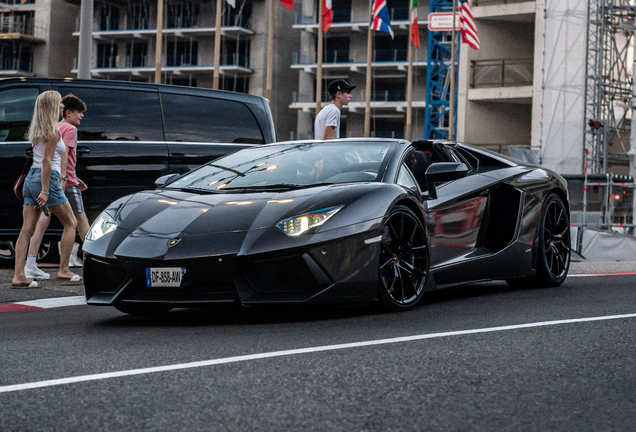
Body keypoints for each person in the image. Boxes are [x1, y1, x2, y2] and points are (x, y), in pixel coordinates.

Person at [11, 91, 78, 288]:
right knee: (70, 223)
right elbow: (48, 161)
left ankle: (19, 276)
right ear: (51, 107)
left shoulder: (38, 129)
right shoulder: (53, 131)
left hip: (31, 178)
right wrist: (46, 190)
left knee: (26, 229)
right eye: (59, 104)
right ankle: (64, 270)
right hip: (45, 179)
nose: (62, 108)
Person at [23, 94, 88, 281]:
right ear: (68, 113)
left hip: (51, 178)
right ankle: (92, 262)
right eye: (79, 112)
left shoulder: (54, 127)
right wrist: (66, 178)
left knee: (40, 222)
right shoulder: (69, 129)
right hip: (62, 180)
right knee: (79, 223)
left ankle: (30, 263)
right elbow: (64, 156)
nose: (81, 116)